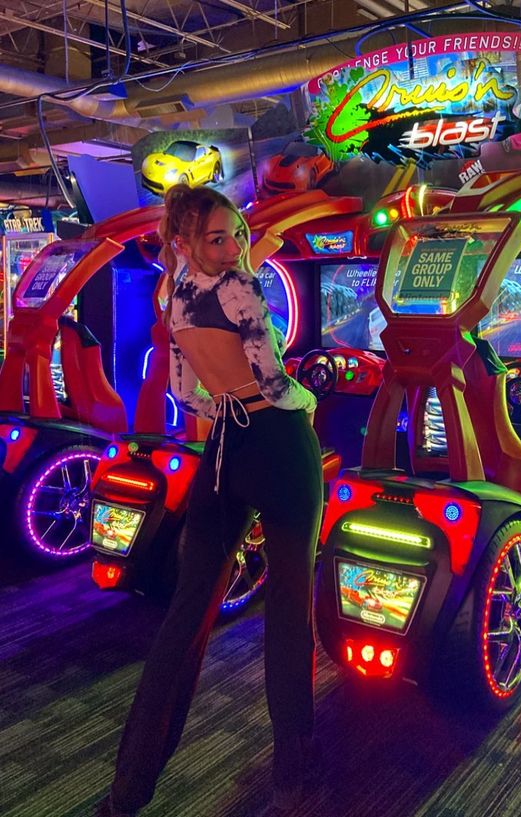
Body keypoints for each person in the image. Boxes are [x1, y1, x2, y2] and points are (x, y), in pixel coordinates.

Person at [96, 184, 323, 816]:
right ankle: (292, 779)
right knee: (287, 613)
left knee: (183, 621)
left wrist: (225, 404)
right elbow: (275, 382)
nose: (233, 248)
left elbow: (185, 391)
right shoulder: (240, 288)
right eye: (217, 238)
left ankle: (127, 791)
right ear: (186, 241)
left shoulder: (174, 298)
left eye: (239, 236)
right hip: (277, 444)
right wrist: (305, 400)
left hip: (223, 446)